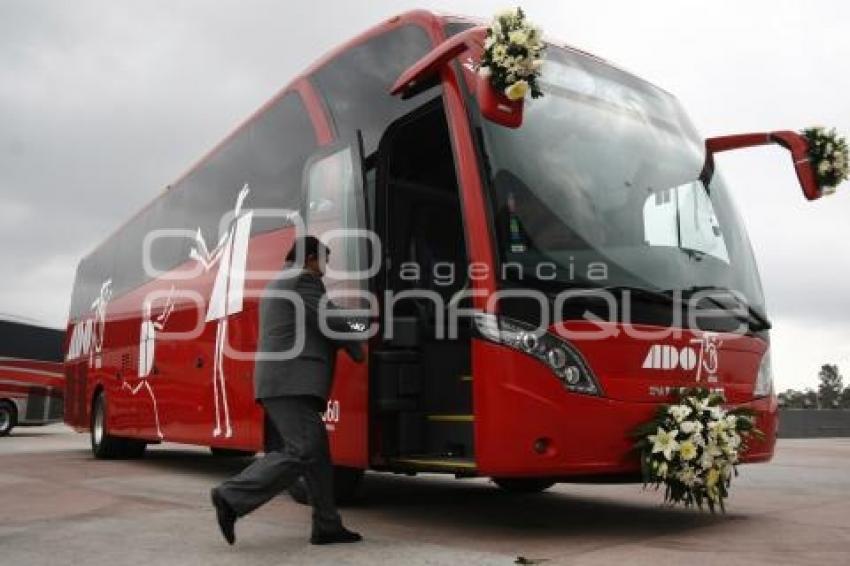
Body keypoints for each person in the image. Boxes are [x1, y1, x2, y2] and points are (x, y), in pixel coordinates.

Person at [211, 235, 366, 546]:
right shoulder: (302, 280)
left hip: (284, 381)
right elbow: (329, 318)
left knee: (317, 456)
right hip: (291, 382)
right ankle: (231, 496)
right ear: (309, 258)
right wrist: (360, 342)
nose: (326, 268)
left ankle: (327, 525)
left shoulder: (281, 281)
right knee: (304, 451)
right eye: (324, 260)